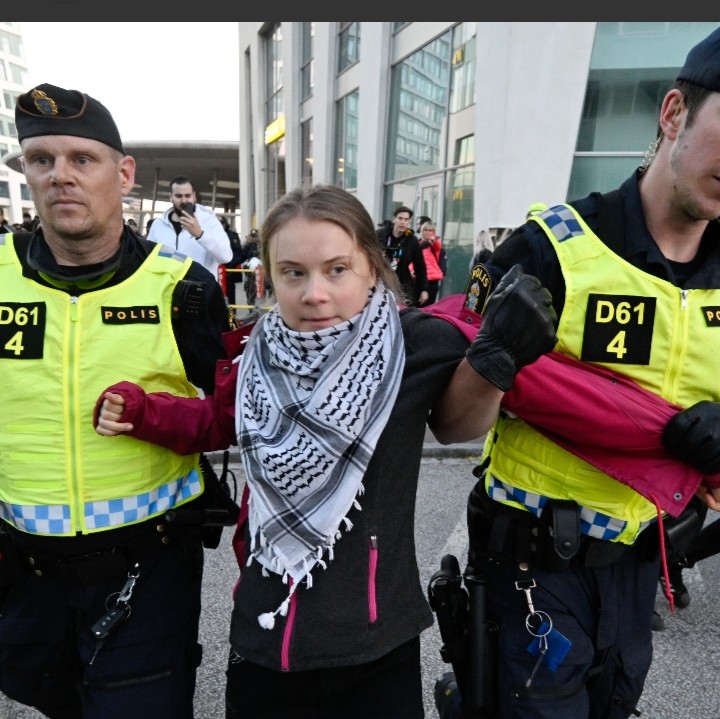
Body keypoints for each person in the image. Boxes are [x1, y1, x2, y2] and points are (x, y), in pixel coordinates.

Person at [92, 183, 558, 718]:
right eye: (294, 272)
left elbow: (460, 424)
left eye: (337, 269)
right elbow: (216, 421)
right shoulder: (256, 356)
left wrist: (498, 357)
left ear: (372, 268)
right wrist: (142, 411)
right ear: (269, 277)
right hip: (267, 635)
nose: (315, 293)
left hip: (377, 642)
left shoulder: (416, 343)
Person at [434, 26, 720, 719]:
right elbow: (452, 423)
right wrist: (496, 354)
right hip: (531, 573)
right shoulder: (554, 247)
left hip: (639, 577)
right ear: (675, 113)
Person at [0, 82, 231, 719]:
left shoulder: (185, 288)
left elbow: (232, 417)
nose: (60, 177)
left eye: (82, 159)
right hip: (24, 576)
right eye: (41, 160)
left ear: (123, 174)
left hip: (147, 570)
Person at [147, 175, 233, 282]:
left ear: (194, 196)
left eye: (187, 195)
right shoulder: (158, 224)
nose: (184, 200)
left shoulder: (210, 221)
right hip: (166, 292)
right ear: (171, 197)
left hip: (200, 291)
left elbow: (226, 257)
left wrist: (200, 234)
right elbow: (149, 258)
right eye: (178, 196)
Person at [377, 205, 429, 306]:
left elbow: (420, 267)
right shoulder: (381, 235)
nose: (403, 222)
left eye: (406, 219)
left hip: (402, 282)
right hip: (381, 280)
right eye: (400, 218)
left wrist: (424, 289)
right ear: (394, 219)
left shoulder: (411, 240)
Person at [418, 220, 446, 304]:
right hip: (419, 279)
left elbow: (437, 246)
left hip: (432, 280)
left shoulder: (434, 244)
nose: (428, 232)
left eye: (430, 230)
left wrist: (433, 240)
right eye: (425, 230)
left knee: (429, 305)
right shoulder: (417, 244)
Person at [219, 215, 243, 305]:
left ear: (226, 224)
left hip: (229, 270)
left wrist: (232, 263)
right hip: (215, 270)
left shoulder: (232, 235)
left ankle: (231, 317)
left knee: (230, 297)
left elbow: (238, 253)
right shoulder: (211, 234)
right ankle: (218, 318)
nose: (221, 226)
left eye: (222, 224)